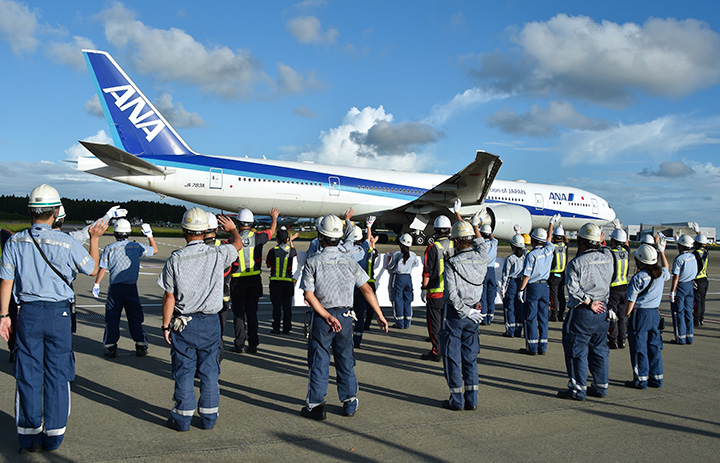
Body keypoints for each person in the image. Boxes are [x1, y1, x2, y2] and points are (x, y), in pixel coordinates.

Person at [0, 184, 106, 452]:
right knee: (58, 375)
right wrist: (94, 239)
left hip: (28, 313)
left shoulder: (15, 241)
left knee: (28, 374)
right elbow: (92, 269)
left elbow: (6, 282)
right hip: (58, 313)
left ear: (29, 211)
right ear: (56, 212)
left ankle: (29, 434)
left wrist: (3, 315)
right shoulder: (67, 242)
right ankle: (54, 435)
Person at [159, 208, 242, 432]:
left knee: (184, 370)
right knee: (210, 371)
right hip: (210, 322)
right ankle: (208, 417)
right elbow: (238, 245)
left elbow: (169, 296)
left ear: (184, 231)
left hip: (184, 322)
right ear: (206, 231)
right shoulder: (218, 254)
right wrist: (233, 230)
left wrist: (166, 326)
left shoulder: (175, 259)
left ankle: (182, 418)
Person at [300, 214, 389, 420]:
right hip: (347, 316)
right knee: (345, 359)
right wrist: (379, 314)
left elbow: (308, 295)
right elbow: (366, 289)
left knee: (319, 360)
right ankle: (349, 401)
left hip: (323, 318)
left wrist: (325, 315)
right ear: (338, 237)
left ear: (320, 237)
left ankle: (316, 405)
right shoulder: (349, 261)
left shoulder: (314, 262)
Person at [557, 223, 614, 400]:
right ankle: (600, 386)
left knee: (576, 350)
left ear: (581, 241)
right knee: (599, 349)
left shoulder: (576, 263)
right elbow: (605, 248)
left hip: (584, 310)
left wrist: (589, 302)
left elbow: (573, 289)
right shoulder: (608, 257)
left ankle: (577, 389)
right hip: (603, 310)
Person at [440, 215, 487, 411]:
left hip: (457, 314)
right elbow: (482, 243)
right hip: (475, 313)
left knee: (452, 357)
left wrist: (464, 311)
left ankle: (457, 399)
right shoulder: (483, 258)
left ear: (457, 241)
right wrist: (475, 226)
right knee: (470, 358)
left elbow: (451, 294)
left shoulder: (453, 263)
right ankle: (473, 399)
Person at [93, 218, 158, 358]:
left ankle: (111, 347)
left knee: (112, 319)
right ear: (129, 232)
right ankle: (140, 345)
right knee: (135, 318)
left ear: (115, 233)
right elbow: (155, 250)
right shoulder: (136, 247)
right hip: (131, 288)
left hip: (115, 289)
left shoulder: (109, 248)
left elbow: (103, 269)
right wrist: (149, 235)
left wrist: (96, 284)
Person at [230, 207, 278, 354]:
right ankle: (253, 344)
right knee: (252, 313)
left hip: (237, 282)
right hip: (254, 280)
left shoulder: (232, 239)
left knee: (238, 315)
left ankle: (239, 345)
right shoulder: (258, 237)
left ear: (238, 222)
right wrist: (274, 217)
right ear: (251, 223)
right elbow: (272, 231)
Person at [625, 241, 670, 389]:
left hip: (641, 314)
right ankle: (657, 377)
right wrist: (662, 251)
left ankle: (641, 379)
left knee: (639, 347)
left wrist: (626, 315)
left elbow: (631, 301)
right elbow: (667, 268)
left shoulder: (639, 278)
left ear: (640, 260)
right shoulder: (661, 274)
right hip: (654, 314)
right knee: (654, 346)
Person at [517, 223, 556, 355]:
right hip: (545, 286)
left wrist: (521, 290)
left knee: (530, 317)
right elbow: (549, 238)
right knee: (543, 317)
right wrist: (551, 224)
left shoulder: (532, 255)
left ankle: (532, 347)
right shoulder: (549, 250)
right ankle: (542, 346)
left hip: (533, 287)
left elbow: (527, 275)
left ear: (533, 241)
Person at [420, 215, 454, 361]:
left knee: (434, 325)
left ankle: (436, 352)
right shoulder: (454, 245)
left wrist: (424, 287)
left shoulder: (432, 247)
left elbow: (427, 270)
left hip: (435, 292)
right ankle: (449, 350)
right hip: (451, 292)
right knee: (449, 324)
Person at [203, 212, 236, 353]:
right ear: (217, 230)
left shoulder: (195, 249)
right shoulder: (225, 247)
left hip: (203, 299)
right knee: (219, 330)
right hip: (222, 297)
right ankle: (217, 357)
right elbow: (235, 265)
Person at [266, 228, 298, 334]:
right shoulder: (292, 251)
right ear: (287, 239)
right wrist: (291, 243)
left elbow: (268, 264)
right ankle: (286, 328)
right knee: (287, 307)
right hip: (288, 283)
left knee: (276, 307)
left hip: (275, 282)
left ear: (277, 239)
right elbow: (295, 260)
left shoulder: (272, 251)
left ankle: (276, 328)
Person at [386, 233, 420, 328]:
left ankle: (399, 323)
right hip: (408, 278)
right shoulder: (413, 255)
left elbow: (390, 267)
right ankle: (407, 322)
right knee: (408, 300)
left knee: (397, 300)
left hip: (398, 278)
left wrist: (388, 259)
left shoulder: (396, 255)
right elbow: (416, 264)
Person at [669, 234, 698, 345]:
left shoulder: (679, 259)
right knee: (688, 312)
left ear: (681, 246)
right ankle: (690, 337)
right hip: (690, 285)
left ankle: (680, 337)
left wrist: (672, 290)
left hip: (681, 286)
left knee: (678, 312)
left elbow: (676, 276)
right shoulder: (693, 256)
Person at [606, 228, 630, 349]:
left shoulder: (611, 253)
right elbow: (627, 244)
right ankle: (622, 340)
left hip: (614, 288)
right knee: (622, 316)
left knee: (612, 315)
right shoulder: (626, 252)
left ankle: (613, 339)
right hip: (624, 288)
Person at [500, 234, 527, 337]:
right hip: (521, 282)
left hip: (511, 283)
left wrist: (503, 287)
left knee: (509, 307)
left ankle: (510, 330)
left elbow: (505, 274)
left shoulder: (510, 259)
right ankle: (518, 330)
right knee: (519, 307)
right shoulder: (525, 256)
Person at [1, 227, 18, 362]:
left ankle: (13, 349)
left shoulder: (7, 235)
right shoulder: (8, 236)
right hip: (11, 287)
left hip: (9, 286)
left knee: (12, 318)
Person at [548, 226, 569, 322]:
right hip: (562, 273)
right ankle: (561, 314)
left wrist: (551, 226)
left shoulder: (552, 247)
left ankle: (554, 314)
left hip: (554, 274)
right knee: (561, 295)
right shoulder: (565, 246)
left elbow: (548, 241)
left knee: (554, 295)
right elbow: (567, 241)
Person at [479, 224, 498, 325]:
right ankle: (491, 316)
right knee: (491, 295)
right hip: (492, 271)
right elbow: (492, 237)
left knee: (483, 295)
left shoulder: (481, 244)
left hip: (483, 270)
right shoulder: (494, 243)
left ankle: (484, 317)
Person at [692, 231, 709, 327]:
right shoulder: (706, 252)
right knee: (702, 301)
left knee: (697, 301)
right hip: (705, 279)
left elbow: (696, 267)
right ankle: (701, 318)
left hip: (698, 279)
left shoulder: (695, 253)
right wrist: (698, 232)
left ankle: (696, 319)